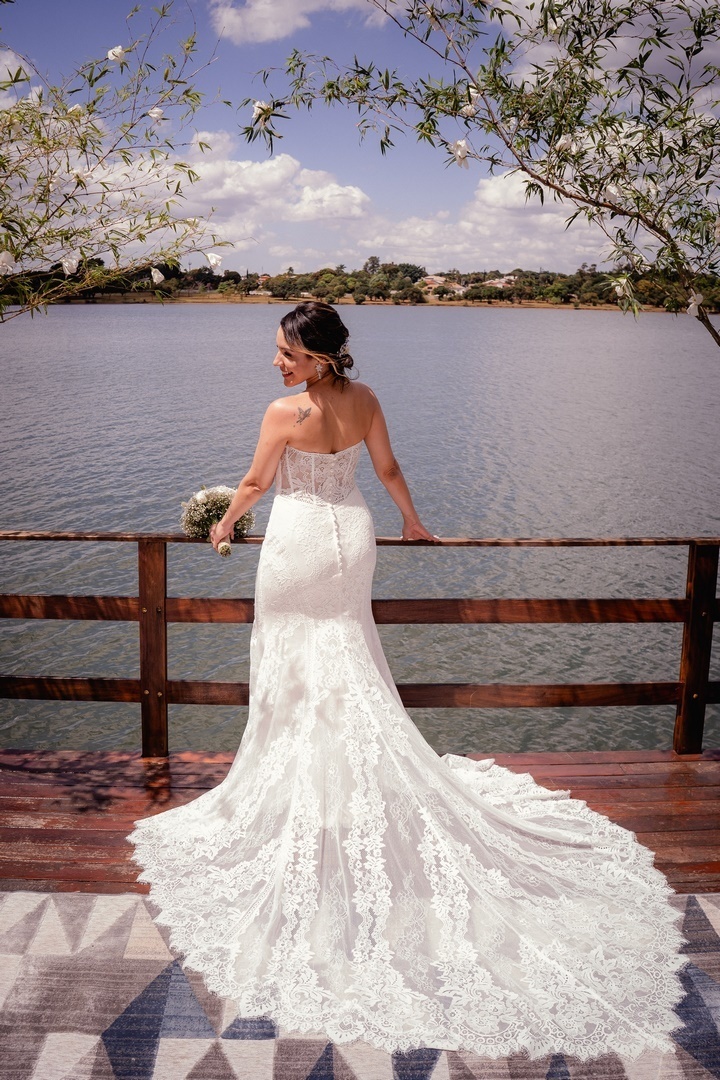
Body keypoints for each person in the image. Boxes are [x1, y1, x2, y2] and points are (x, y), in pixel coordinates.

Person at [128, 301, 687, 1061]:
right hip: (353, 537)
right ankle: (339, 777)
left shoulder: (282, 411)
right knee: (348, 653)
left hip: (295, 545)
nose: (276, 361)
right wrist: (413, 522)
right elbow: (386, 469)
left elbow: (257, 482)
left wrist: (224, 523)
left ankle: (302, 784)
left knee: (295, 658)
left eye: (286, 351)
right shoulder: (365, 402)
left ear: (317, 357)